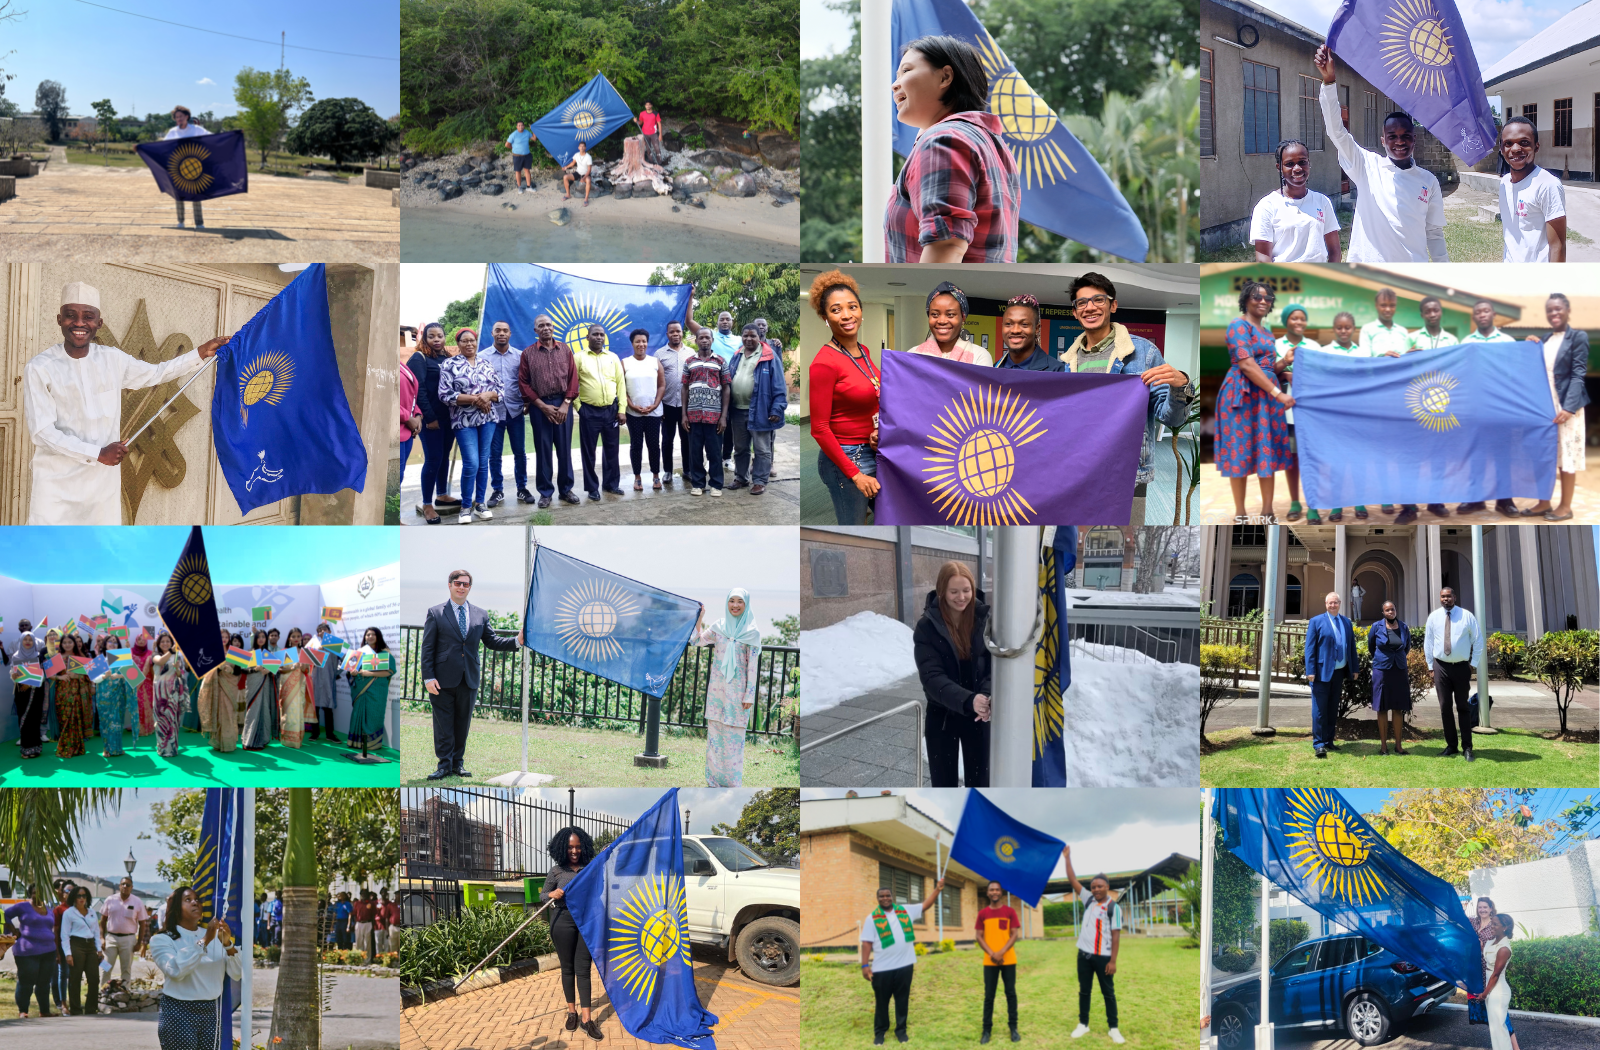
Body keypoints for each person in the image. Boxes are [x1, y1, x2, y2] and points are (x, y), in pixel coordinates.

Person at [23, 281, 227, 525]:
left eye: (88, 317)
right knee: (50, 554)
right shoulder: (39, 368)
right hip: (56, 487)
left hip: (101, 485)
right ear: (59, 319)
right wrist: (97, 453)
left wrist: (201, 352)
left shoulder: (111, 359)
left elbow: (156, 373)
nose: (79, 323)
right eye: (70, 316)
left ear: (99, 323)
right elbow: (42, 433)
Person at [1061, 273, 1194, 525]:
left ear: (1113, 305)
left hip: (1127, 473)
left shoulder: (1142, 352)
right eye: (1082, 303)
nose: (1090, 307)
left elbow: (1171, 417)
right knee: (1082, 539)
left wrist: (1181, 387)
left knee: (1126, 543)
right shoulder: (1068, 361)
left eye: (1098, 299)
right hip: (1080, 470)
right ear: (1075, 312)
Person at [887, 35, 1019, 262]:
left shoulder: (943, 140)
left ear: (945, 76)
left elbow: (946, 244)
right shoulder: (993, 144)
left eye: (906, 71)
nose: (895, 84)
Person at [1313, 46, 1447, 261]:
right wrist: (1329, 81)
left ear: (1415, 139)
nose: (1400, 142)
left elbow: (1434, 233)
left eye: (1406, 136)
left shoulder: (1428, 181)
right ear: (1383, 140)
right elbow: (1336, 132)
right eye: (1392, 136)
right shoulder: (1366, 166)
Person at [420, 569, 522, 779]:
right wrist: (428, 677)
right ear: (450, 585)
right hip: (441, 679)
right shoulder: (435, 612)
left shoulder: (480, 614)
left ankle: (458, 764)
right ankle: (444, 766)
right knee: (443, 725)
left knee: (462, 724)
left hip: (469, 678)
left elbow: (492, 641)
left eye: (465, 584)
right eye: (457, 583)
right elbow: (427, 648)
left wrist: (516, 641)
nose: (461, 587)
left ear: (469, 588)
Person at [1217, 281, 1293, 522]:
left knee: (1266, 451)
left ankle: (1268, 511)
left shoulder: (1267, 332)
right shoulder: (1238, 326)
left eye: (1267, 298)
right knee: (1239, 452)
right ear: (1245, 300)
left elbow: (1269, 367)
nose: (1263, 301)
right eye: (1257, 297)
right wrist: (1278, 393)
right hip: (1242, 396)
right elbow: (1247, 364)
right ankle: (1240, 513)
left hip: (1266, 400)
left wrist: (1285, 361)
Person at [810, 270, 881, 523]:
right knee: (853, 528)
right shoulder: (825, 363)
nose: (847, 315)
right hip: (847, 458)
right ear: (825, 317)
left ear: (861, 311)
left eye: (852, 307)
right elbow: (818, 428)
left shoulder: (864, 351)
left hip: (873, 449)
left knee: (886, 520)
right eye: (836, 310)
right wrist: (856, 475)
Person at [912, 560, 991, 787]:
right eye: (954, 591)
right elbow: (931, 677)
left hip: (978, 715)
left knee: (981, 784)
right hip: (943, 716)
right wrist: (968, 699)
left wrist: (985, 698)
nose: (961, 597)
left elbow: (994, 666)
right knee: (943, 785)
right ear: (942, 591)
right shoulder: (927, 627)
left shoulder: (985, 619)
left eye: (966, 590)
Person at [1520, 292, 1588, 521]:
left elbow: (1579, 374)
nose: (1554, 313)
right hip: (1544, 407)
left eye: (1558, 308)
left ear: (1568, 310)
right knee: (1546, 456)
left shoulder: (1578, 337)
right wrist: (1531, 345)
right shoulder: (1545, 339)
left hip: (1567, 406)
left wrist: (1568, 408)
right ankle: (1543, 502)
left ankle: (1566, 507)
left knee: (1566, 457)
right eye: (1550, 310)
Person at [150, 885, 243, 1050]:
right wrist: (205, 940)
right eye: (188, 900)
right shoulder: (162, 939)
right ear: (176, 908)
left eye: (197, 900)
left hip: (211, 1012)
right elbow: (175, 970)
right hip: (179, 1011)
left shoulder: (213, 935)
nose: (195, 903)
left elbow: (236, 973)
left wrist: (228, 944)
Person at [860, 878, 946, 1046]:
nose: (885, 898)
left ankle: (901, 1031)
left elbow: (926, 905)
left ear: (892, 897)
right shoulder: (872, 918)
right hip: (882, 969)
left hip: (905, 966)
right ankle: (880, 1032)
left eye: (888, 895)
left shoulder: (905, 911)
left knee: (902, 1000)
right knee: (882, 1002)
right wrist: (864, 965)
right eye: (882, 896)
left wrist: (938, 889)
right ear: (878, 899)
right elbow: (866, 943)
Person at [692, 589, 763, 786]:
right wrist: (700, 617)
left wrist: (749, 694)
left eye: (740, 601)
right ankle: (713, 781)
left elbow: (752, 667)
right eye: (731, 601)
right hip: (717, 692)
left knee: (733, 741)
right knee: (715, 739)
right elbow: (697, 640)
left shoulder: (752, 633)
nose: (735, 605)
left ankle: (732, 783)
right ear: (727, 603)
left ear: (746, 605)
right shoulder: (719, 627)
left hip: (738, 695)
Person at [542, 827, 605, 1040]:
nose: (575, 851)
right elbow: (542, 895)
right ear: (563, 848)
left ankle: (587, 1020)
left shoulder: (590, 869)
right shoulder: (557, 871)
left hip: (585, 922)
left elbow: (599, 891)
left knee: (583, 969)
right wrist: (552, 893)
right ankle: (572, 1012)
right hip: (562, 921)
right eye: (570, 847)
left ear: (584, 846)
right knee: (567, 968)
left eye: (578, 847)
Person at [517, 313, 581, 509]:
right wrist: (542, 406)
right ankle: (545, 492)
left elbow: (573, 378)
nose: (546, 328)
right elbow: (524, 383)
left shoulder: (565, 350)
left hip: (563, 404)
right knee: (543, 451)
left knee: (564, 450)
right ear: (535, 330)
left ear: (553, 328)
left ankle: (566, 489)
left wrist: (566, 404)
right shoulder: (527, 354)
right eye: (541, 326)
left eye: (549, 325)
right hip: (540, 407)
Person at [439, 327, 503, 524]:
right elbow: (445, 395)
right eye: (464, 341)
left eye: (472, 340)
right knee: (472, 462)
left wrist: (487, 396)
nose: (469, 344)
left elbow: (500, 390)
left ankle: (480, 504)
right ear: (458, 344)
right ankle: (466, 507)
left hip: (488, 419)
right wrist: (476, 399)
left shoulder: (486, 363)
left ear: (476, 342)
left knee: (483, 463)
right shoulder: (449, 364)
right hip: (463, 420)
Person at [1062, 845, 1123, 1044]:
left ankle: (1113, 1028)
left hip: (1104, 957)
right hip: (1084, 956)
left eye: (1100, 886)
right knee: (1084, 990)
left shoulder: (1113, 907)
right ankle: (1083, 1024)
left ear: (1107, 886)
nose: (1096, 889)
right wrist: (1067, 858)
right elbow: (1073, 880)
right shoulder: (1088, 899)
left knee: (1108, 993)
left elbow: (1115, 936)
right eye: (1093, 886)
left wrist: (1113, 961)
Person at [1251, 139, 1342, 262]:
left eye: (1302, 162)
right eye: (1289, 164)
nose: (1297, 168)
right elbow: (1263, 258)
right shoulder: (1267, 206)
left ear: (1309, 163)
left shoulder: (1322, 201)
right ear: (1279, 167)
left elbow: (1335, 251)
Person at [1272, 303, 1318, 525]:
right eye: (1294, 318)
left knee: (1312, 459)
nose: (1299, 322)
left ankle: (1313, 505)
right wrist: (1285, 370)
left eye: (1302, 318)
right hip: (1286, 411)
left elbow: (1323, 375)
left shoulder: (1314, 345)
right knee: (1292, 459)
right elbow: (1266, 373)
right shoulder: (1276, 345)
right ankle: (1295, 502)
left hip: (1312, 412)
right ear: (1286, 321)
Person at [409, 322, 459, 524]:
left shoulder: (446, 358)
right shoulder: (419, 358)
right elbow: (418, 390)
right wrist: (429, 418)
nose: (436, 339)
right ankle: (427, 503)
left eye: (440, 335)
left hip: (449, 417)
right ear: (425, 338)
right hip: (432, 420)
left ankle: (442, 494)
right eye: (432, 336)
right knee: (433, 458)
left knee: (443, 456)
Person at [728, 322, 787, 494]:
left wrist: (777, 409)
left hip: (761, 411)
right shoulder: (736, 355)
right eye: (745, 335)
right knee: (740, 448)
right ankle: (741, 477)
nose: (748, 339)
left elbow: (779, 385)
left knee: (762, 449)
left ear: (759, 337)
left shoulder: (769, 356)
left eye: (752, 335)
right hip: (737, 410)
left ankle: (760, 481)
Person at [1498, 116, 1566, 263]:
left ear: (1536, 146)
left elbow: (1557, 246)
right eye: (1508, 143)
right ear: (1502, 149)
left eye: (1524, 142)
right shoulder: (1504, 183)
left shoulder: (1547, 184)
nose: (1515, 149)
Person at [1426, 585, 1483, 761]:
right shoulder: (1434, 617)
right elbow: (1428, 642)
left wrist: (1472, 664)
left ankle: (1467, 748)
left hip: (1461, 667)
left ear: (1455, 597)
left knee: (1463, 707)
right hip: (1440, 667)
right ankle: (1451, 746)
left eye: (1449, 596)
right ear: (1440, 598)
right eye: (1443, 597)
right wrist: (1430, 666)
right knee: (1444, 707)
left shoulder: (1467, 616)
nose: (1446, 599)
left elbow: (1478, 640)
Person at [482, 320, 533, 508]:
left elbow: (526, 382)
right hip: (492, 414)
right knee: (494, 454)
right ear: (492, 333)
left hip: (515, 411)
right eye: (498, 330)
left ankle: (522, 487)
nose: (501, 333)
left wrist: (527, 401)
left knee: (519, 452)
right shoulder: (482, 357)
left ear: (510, 334)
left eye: (505, 330)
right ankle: (497, 490)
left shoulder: (521, 356)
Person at [574, 324, 626, 502]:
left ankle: (611, 484)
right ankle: (592, 488)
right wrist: (579, 407)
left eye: (602, 335)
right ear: (587, 337)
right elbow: (572, 384)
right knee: (589, 452)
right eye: (595, 334)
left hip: (611, 410)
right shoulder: (578, 357)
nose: (599, 337)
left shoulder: (613, 357)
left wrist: (622, 409)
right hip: (589, 411)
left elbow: (621, 384)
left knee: (612, 450)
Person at [1303, 591, 1356, 760]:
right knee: (1319, 710)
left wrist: (1354, 668)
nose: (1333, 605)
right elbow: (1310, 648)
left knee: (1333, 708)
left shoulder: (1346, 622)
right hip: (1320, 674)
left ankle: (1329, 741)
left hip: (1339, 672)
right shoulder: (1316, 621)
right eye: (1330, 603)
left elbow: (1351, 647)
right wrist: (1310, 670)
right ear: (1326, 604)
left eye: (1335, 602)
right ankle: (1319, 744)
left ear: (1340, 603)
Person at [681, 327, 733, 497]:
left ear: (712, 340)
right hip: (694, 416)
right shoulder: (689, 362)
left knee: (714, 453)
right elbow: (684, 388)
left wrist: (724, 416)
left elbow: (726, 388)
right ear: (696, 340)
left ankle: (716, 484)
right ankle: (698, 484)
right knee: (695, 453)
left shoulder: (720, 361)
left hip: (714, 417)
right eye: (700, 338)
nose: (704, 340)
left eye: (707, 338)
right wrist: (684, 415)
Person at [976, 880, 1021, 1044]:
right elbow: (978, 936)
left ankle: (1013, 1028)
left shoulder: (1010, 912)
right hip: (990, 962)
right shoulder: (982, 914)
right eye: (991, 890)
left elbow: (1014, 934)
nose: (994, 892)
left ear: (1001, 892)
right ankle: (986, 1030)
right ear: (987, 893)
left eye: (997, 889)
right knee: (989, 997)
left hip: (1008, 960)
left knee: (1010, 994)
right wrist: (992, 954)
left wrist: (1001, 952)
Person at [622, 327, 666, 491]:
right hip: (633, 413)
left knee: (654, 444)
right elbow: (621, 388)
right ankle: (637, 477)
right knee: (636, 445)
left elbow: (662, 385)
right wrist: (631, 404)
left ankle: (656, 476)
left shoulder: (655, 362)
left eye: (644, 341)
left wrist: (655, 404)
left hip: (654, 412)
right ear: (632, 343)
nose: (641, 344)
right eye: (638, 341)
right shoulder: (625, 362)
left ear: (647, 343)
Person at [5, 885, 59, 1017]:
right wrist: (13, 931)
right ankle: (23, 1011)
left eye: (40, 893)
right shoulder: (22, 906)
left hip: (49, 950)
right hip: (27, 951)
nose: (37, 895)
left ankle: (44, 1011)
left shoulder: (49, 909)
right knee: (26, 983)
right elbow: (5, 915)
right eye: (34, 893)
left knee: (44, 983)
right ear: (30, 894)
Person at [910, 281, 992, 365]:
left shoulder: (979, 356)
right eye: (935, 314)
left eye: (950, 314)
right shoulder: (912, 355)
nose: (942, 321)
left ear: (963, 317)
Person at [1368, 600, 1412, 756]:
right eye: (1387, 610)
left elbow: (1406, 647)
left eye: (1392, 609)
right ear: (1383, 612)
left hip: (1399, 669)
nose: (1390, 612)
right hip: (1382, 670)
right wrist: (1383, 659)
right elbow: (1371, 647)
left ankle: (1399, 746)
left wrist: (1396, 659)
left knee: (1398, 707)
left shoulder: (1404, 627)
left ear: (1396, 610)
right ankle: (1383, 746)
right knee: (1382, 707)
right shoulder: (1376, 627)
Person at [1471, 898, 1514, 1050]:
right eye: (1492, 923)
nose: (1492, 926)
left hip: (1498, 991)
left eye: (1495, 924)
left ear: (1505, 927)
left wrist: (1484, 994)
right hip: (1490, 988)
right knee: (1495, 1029)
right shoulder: (1490, 942)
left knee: (1499, 1029)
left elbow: (1495, 974)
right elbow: (1484, 956)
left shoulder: (1504, 948)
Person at [654, 320, 691, 485]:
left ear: (682, 333)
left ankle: (688, 470)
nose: (675, 334)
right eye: (672, 332)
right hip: (667, 404)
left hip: (687, 406)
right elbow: (655, 381)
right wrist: (658, 405)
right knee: (667, 440)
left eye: (678, 331)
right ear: (667, 334)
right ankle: (667, 471)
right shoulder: (659, 354)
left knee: (687, 439)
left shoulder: (691, 353)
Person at [162, 106, 210, 229]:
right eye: (176, 117)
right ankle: (181, 221)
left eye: (181, 116)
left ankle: (199, 223)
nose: (179, 119)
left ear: (187, 117)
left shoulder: (197, 129)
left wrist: (234, 135)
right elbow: (163, 146)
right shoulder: (173, 132)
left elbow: (212, 138)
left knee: (196, 195)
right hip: (178, 168)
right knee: (179, 195)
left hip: (195, 168)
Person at [347, 626, 394, 751]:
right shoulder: (360, 652)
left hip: (378, 690)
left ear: (378, 636)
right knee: (359, 713)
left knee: (375, 715)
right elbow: (352, 670)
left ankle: (372, 744)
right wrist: (353, 673)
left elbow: (389, 672)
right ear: (365, 637)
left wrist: (370, 673)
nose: (370, 637)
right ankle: (356, 742)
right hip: (361, 690)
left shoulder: (385, 653)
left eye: (373, 634)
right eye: (368, 634)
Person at [101, 875, 150, 990]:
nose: (125, 886)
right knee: (105, 966)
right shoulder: (110, 900)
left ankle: (124, 993)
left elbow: (143, 923)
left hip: (128, 939)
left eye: (128, 885)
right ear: (119, 886)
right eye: (123, 884)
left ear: (131, 887)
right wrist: (101, 938)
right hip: (111, 938)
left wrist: (139, 942)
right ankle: (102, 992)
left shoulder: (137, 902)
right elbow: (102, 921)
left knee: (126, 969)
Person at [995, 294, 1064, 372]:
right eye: (1008, 324)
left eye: (1024, 324)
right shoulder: (992, 370)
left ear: (1037, 328)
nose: (1015, 330)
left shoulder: (1056, 371)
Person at [62, 885, 102, 1016]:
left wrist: (99, 949)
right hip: (76, 944)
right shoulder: (69, 913)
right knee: (75, 978)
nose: (81, 898)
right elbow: (65, 935)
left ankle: (91, 1008)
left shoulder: (91, 912)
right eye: (78, 896)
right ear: (74, 897)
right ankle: (76, 1009)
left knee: (94, 978)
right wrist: (68, 954)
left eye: (84, 896)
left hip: (90, 946)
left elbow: (96, 932)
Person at [52, 632, 93, 759]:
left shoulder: (80, 657)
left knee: (75, 720)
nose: (67, 645)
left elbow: (90, 675)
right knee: (64, 720)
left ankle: (77, 748)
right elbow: (49, 675)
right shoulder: (57, 657)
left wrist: (79, 675)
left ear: (74, 643)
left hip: (76, 693)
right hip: (62, 693)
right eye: (64, 643)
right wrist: (60, 677)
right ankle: (65, 748)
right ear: (61, 644)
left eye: (70, 642)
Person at [151, 632, 189, 757]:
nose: (165, 643)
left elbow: (180, 675)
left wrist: (178, 669)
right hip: (159, 693)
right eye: (162, 641)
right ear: (158, 644)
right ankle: (162, 748)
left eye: (168, 641)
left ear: (172, 643)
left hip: (173, 693)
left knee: (173, 720)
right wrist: (172, 652)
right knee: (160, 719)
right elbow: (161, 662)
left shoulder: (178, 656)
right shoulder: (155, 655)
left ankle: (172, 749)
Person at [95, 650, 140, 756]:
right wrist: (104, 676)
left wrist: (119, 676)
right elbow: (93, 679)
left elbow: (135, 676)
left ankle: (117, 748)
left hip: (119, 696)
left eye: (115, 642)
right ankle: (106, 748)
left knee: (117, 723)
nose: (112, 644)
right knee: (105, 722)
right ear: (105, 645)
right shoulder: (99, 660)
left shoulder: (123, 658)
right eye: (110, 641)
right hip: (104, 697)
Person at [8, 630, 45, 758]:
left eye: (30, 639)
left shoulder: (39, 655)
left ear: (34, 641)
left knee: (34, 718)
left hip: (35, 690)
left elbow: (43, 674)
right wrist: (13, 675)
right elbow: (14, 672)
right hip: (21, 692)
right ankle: (26, 748)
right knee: (23, 718)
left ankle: (35, 748)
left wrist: (29, 683)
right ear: (21, 641)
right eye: (25, 639)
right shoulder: (15, 656)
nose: (28, 642)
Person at [196, 662, 244, 752]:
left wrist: (232, 670)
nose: (236, 646)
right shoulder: (217, 652)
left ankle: (229, 743)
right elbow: (207, 669)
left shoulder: (237, 652)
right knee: (219, 713)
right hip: (218, 686)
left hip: (231, 687)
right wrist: (217, 667)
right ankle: (218, 742)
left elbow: (240, 671)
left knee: (229, 713)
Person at [276, 627, 312, 749]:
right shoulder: (285, 651)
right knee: (288, 710)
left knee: (298, 709)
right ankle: (287, 738)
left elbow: (307, 670)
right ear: (289, 638)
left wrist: (303, 667)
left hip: (300, 684)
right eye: (293, 636)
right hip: (287, 684)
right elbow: (280, 669)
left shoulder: (304, 652)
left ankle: (297, 739)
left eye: (298, 636)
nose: (296, 639)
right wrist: (292, 668)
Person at [309, 624, 341, 742]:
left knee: (328, 708)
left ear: (330, 631)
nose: (322, 632)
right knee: (315, 707)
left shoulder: (336, 645)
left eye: (324, 630)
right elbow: (307, 661)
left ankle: (330, 734)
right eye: (319, 630)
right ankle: (315, 733)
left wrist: (336, 673)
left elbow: (345, 660)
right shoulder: (313, 645)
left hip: (328, 679)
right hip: (315, 679)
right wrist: (318, 650)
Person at [1358, 288, 1411, 358]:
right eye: (1383, 305)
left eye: (1392, 305)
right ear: (1376, 306)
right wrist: (1383, 358)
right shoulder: (1367, 329)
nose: (1388, 309)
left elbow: (1407, 358)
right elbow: (1365, 359)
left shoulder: (1403, 331)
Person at [505, 119, 537, 193]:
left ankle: (529, 187)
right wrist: (513, 148)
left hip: (527, 155)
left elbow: (534, 139)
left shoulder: (527, 132)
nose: (520, 127)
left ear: (524, 126)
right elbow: (507, 145)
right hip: (517, 156)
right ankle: (519, 187)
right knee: (518, 171)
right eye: (519, 125)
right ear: (517, 127)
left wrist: (534, 130)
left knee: (527, 170)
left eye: (522, 125)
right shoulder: (513, 135)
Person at [352, 891, 377, 959]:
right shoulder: (357, 903)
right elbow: (354, 914)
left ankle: (367, 959)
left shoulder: (371, 903)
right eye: (362, 894)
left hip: (368, 923)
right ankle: (359, 958)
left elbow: (373, 915)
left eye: (365, 894)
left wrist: (372, 925)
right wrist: (355, 924)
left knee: (367, 942)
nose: (364, 896)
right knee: (359, 942)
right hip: (359, 923)